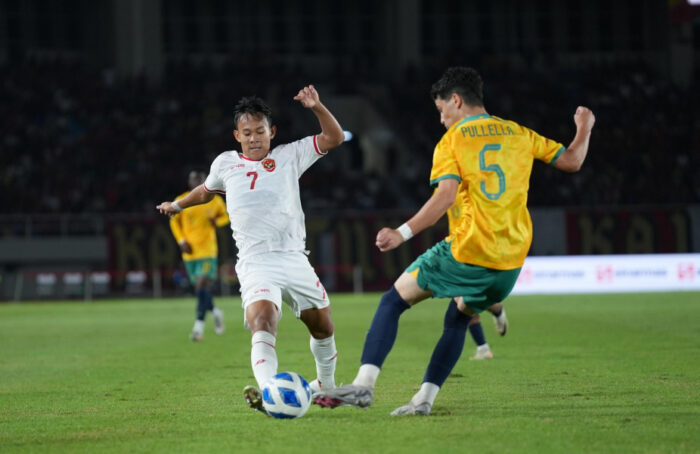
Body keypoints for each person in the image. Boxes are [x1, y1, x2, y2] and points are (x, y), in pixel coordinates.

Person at [314, 67, 594, 415]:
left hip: (469, 249)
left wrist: (400, 233)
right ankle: (424, 400)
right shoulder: (519, 132)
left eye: (442, 110)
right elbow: (572, 160)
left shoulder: (453, 140)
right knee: (459, 317)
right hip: (510, 263)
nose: (442, 120)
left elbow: (445, 197)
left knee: (392, 301)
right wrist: (584, 128)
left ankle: (363, 385)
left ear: (456, 100)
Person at [157, 86, 345, 415]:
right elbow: (204, 191)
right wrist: (177, 205)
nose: (254, 138)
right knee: (262, 319)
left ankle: (326, 386)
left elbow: (335, 138)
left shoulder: (290, 155)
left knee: (322, 327)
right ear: (236, 135)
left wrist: (316, 107)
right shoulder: (226, 164)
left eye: (260, 131)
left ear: (272, 132)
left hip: (293, 257)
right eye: (247, 133)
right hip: (256, 263)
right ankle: (269, 393)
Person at [169, 170, 230, 342]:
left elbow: (227, 216)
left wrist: (216, 222)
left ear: (205, 180)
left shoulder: (214, 200)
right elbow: (174, 222)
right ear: (189, 182)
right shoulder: (182, 200)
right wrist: (181, 241)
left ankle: (198, 327)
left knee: (201, 285)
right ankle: (215, 311)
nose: (196, 181)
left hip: (208, 251)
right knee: (201, 290)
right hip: (190, 253)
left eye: (199, 179)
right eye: (193, 179)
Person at [446, 196, 508, 360]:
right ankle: (495, 310)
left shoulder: (470, 186)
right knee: (464, 299)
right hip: (456, 250)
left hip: (474, 249)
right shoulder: (442, 188)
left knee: (462, 298)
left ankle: (483, 346)